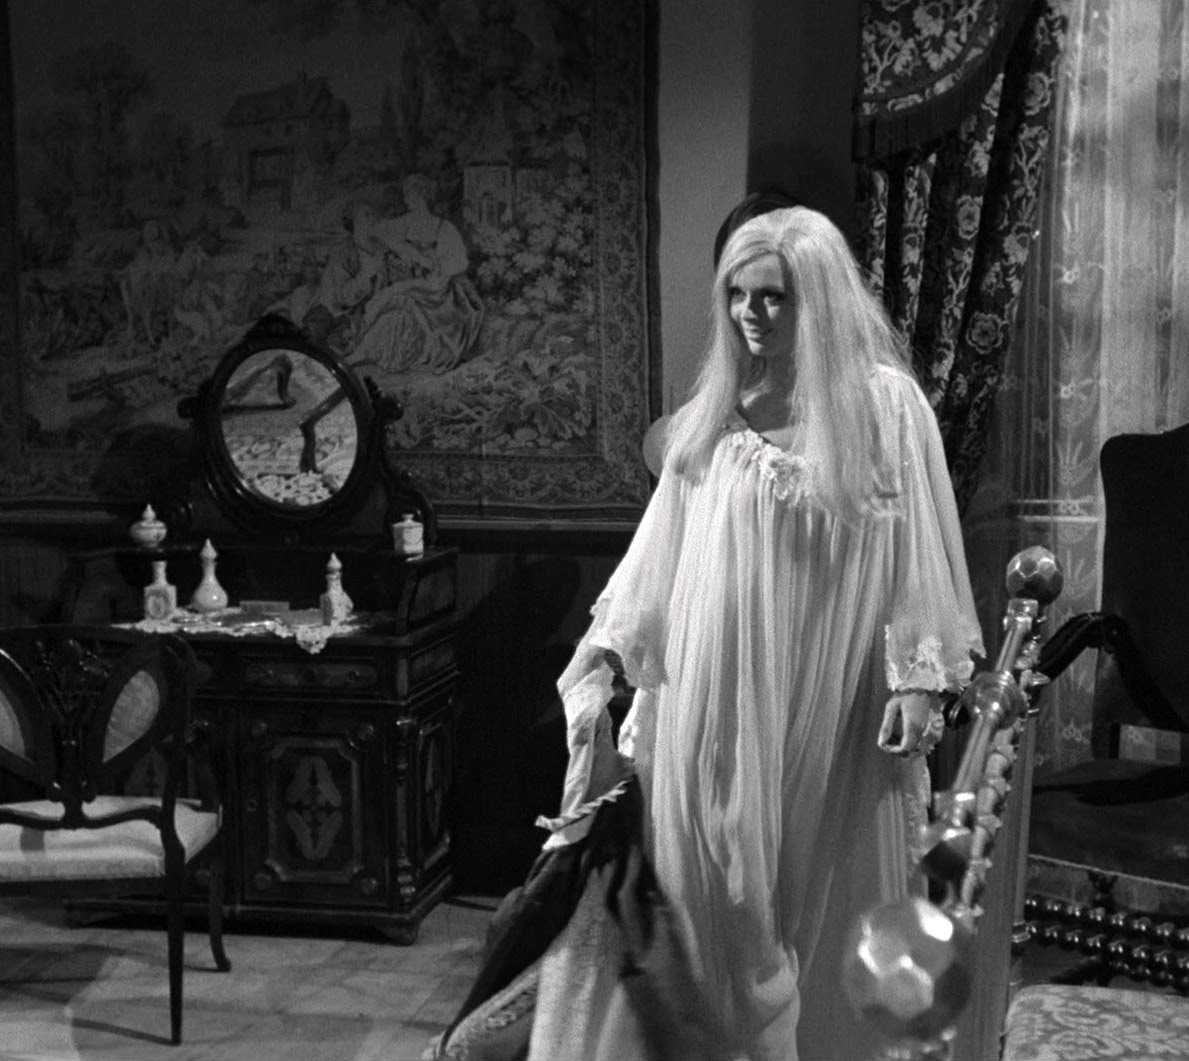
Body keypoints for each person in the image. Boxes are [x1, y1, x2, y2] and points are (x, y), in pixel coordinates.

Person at [544, 205, 983, 1061]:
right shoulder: (714, 419)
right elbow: (657, 557)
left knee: (819, 880)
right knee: (725, 887)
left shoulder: (886, 409)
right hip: (712, 697)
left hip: (831, 696)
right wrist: (604, 652)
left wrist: (917, 677)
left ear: (818, 299)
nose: (752, 313)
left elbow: (919, 553)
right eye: (738, 295)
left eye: (774, 296)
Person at [351, 173, 484, 375]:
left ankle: (359, 350)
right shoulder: (402, 224)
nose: (405, 198)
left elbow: (459, 263)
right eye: (405, 193)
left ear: (421, 193)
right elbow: (369, 234)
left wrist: (430, 263)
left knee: (397, 294)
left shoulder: (443, 227)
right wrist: (401, 251)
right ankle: (359, 348)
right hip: (416, 288)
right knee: (393, 303)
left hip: (438, 293)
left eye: (409, 193)